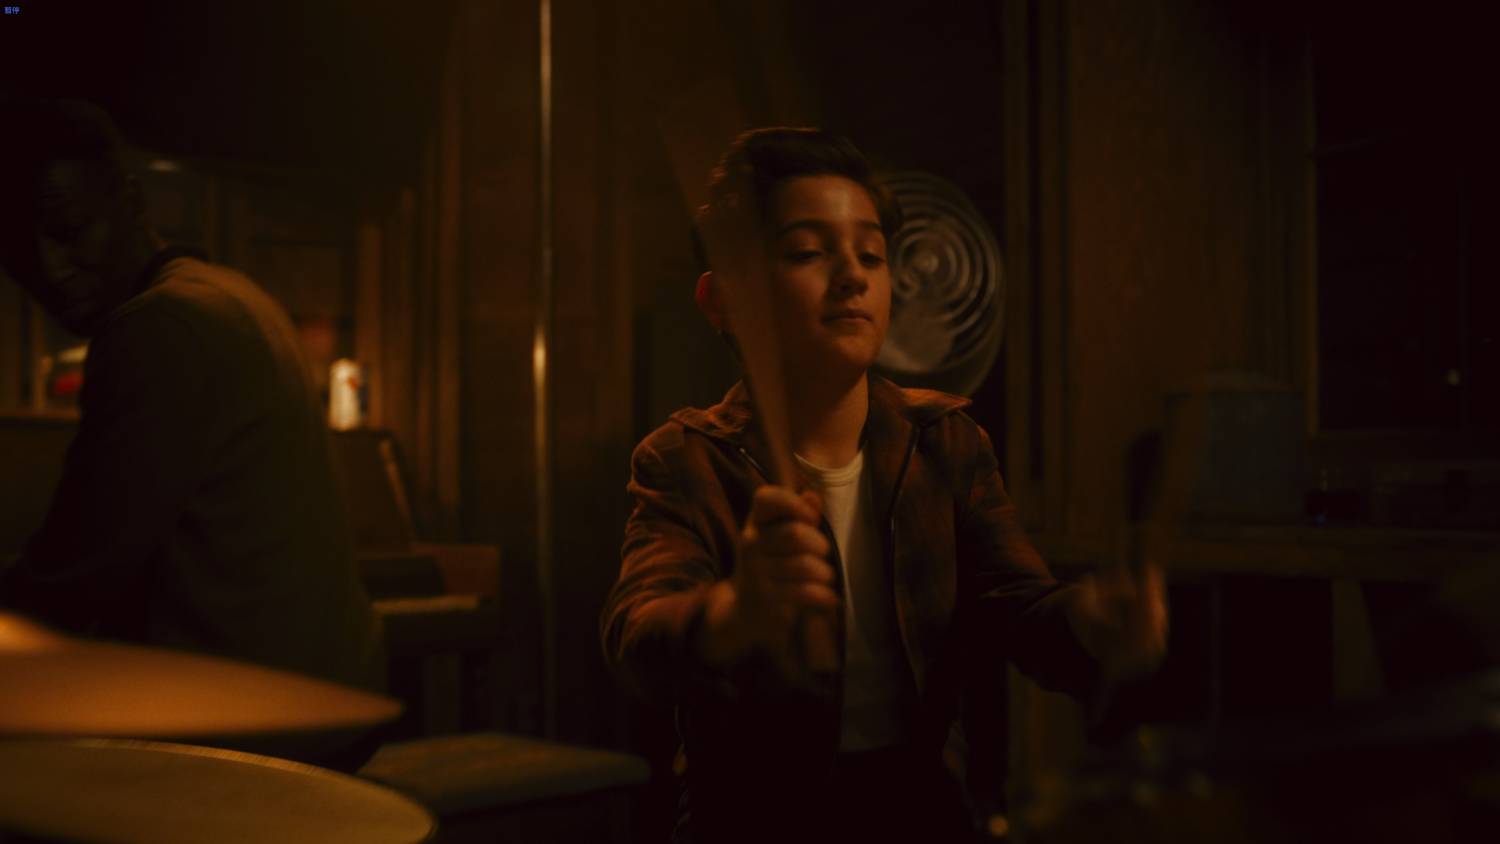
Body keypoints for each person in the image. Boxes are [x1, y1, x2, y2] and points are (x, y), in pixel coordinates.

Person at [601, 128, 1168, 843]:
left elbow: (1019, 608)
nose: (852, 276)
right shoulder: (688, 459)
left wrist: (1092, 623)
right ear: (723, 301)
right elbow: (636, 635)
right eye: (807, 252)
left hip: (923, 811)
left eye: (871, 254)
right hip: (752, 822)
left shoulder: (945, 442)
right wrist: (732, 612)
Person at [0, 99, 384, 700]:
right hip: (327, 687)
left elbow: (74, 577)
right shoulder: (234, 294)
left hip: (256, 716)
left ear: (129, 199)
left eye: (70, 231)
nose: (50, 269)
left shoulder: (155, 328)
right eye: (18, 251)